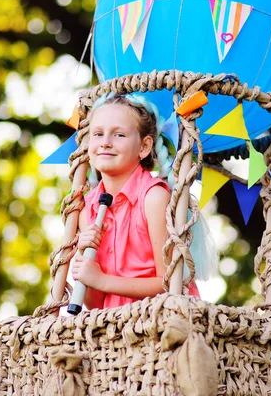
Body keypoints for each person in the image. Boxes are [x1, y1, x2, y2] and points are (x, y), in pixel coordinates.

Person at [70, 93, 202, 310]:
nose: (105, 143)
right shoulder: (88, 208)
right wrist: (86, 264)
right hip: (113, 328)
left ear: (144, 147)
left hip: (160, 319)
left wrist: (102, 280)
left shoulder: (154, 197)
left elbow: (169, 282)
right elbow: (95, 304)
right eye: (98, 134)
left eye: (119, 135)